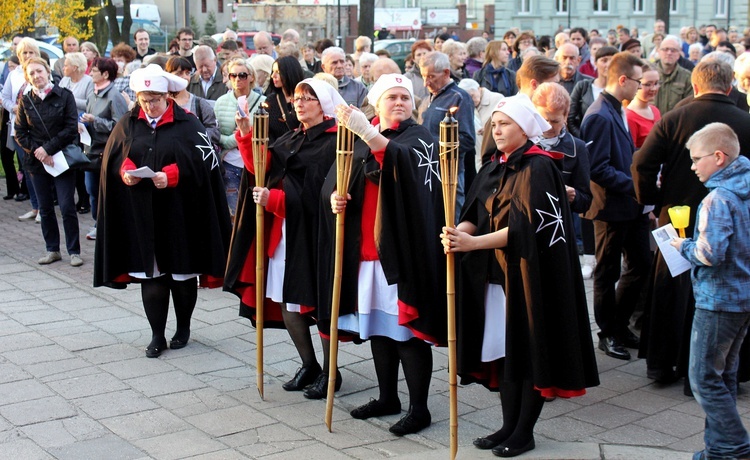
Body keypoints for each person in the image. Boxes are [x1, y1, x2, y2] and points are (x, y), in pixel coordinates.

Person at [442, 94, 598, 457]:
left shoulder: (539, 168)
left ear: (524, 128)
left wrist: (472, 242)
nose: (497, 130)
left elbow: (524, 229)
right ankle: (507, 426)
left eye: (505, 124)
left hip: (527, 278)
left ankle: (523, 432)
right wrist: (457, 232)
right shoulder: (492, 166)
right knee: (504, 355)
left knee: (528, 354)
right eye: (494, 124)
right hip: (493, 277)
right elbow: (475, 212)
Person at [323, 74, 447, 435]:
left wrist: (369, 133)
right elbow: (342, 179)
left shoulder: (419, 137)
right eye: (391, 98)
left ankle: (419, 407)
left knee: (405, 333)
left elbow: (403, 164)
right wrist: (337, 197)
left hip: (401, 251)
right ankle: (387, 396)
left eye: (405, 98)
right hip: (365, 251)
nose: (399, 103)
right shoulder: (362, 138)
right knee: (378, 329)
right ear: (377, 104)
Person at [93, 64, 231, 358]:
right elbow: (115, 157)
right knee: (151, 276)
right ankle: (157, 334)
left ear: (168, 96)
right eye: (144, 99)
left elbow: (205, 165)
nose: (149, 106)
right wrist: (126, 170)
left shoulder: (188, 124)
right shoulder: (128, 123)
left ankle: (183, 327)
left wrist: (172, 174)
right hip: (143, 214)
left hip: (180, 214)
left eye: (154, 99)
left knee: (181, 275)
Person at [224, 79, 345, 399]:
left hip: (315, 234)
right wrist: (246, 132)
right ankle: (310, 365)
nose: (300, 103)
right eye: (297, 99)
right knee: (287, 299)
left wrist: (275, 200)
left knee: (319, 304)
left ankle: (332, 372)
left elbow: (318, 193)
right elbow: (260, 168)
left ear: (324, 105)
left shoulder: (335, 143)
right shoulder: (293, 137)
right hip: (284, 234)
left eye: (309, 99)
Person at [632, 59, 750, 388]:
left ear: (695, 87)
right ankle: (726, 370)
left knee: (674, 289)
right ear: (729, 88)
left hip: (678, 214)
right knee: (723, 287)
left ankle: (663, 364)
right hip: (735, 217)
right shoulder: (747, 121)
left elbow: (641, 161)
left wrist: (652, 199)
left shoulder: (674, 117)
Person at [669, 123, 750, 460]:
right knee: (724, 376)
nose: (692, 166)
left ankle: (735, 445)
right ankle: (719, 451)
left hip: (719, 300)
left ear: (718, 157)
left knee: (703, 379)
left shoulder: (718, 199)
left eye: (696, 158)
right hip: (742, 298)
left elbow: (708, 254)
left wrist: (682, 245)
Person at [581, 52, 651, 361]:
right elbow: (597, 168)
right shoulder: (599, 114)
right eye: (638, 81)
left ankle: (619, 325)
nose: (641, 87)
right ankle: (607, 332)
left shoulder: (616, 109)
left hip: (629, 206)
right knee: (607, 272)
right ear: (622, 80)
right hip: (609, 208)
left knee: (640, 265)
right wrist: (635, 185)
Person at [14, 57, 83, 267]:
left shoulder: (65, 96)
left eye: (39, 71)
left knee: (67, 205)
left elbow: (71, 128)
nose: (36, 76)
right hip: (37, 162)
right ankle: (52, 249)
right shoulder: (26, 100)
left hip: (61, 158)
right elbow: (20, 131)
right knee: (44, 208)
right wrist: (39, 152)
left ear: (48, 72)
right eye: (31, 73)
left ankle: (74, 251)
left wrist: (49, 149)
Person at [418, 51, 476, 217]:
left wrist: (431, 145)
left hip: (450, 173)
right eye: (423, 76)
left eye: (431, 77)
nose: (425, 83)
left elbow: (466, 140)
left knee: (451, 219)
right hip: (427, 169)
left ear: (446, 73)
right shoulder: (429, 97)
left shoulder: (460, 98)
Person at [79, 57, 128, 241]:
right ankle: (97, 222)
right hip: (91, 150)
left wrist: (95, 121)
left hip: (107, 153)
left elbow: (120, 126)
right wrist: (83, 124)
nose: (90, 73)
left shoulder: (114, 96)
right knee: (91, 189)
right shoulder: (92, 94)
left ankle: (108, 224)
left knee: (106, 191)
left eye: (94, 70)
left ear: (105, 74)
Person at [214, 58, 266, 219]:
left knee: (255, 213)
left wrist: (245, 133)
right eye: (233, 75)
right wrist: (235, 138)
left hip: (255, 163)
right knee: (235, 213)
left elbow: (266, 135)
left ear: (251, 77)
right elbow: (215, 134)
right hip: (230, 163)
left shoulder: (263, 103)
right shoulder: (221, 102)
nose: (237, 79)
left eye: (242, 75)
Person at [2, 38, 43, 221]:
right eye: (24, 53)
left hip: (38, 129)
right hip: (18, 129)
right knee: (26, 168)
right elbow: (5, 98)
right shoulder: (14, 74)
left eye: (31, 52)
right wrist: (14, 108)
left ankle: (44, 208)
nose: (27, 56)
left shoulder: (40, 72)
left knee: (40, 169)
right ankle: (35, 206)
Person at [165, 56, 220, 147]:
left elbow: (214, 131)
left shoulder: (199, 104)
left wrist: (195, 138)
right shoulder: (161, 102)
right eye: (179, 73)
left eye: (187, 73)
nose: (184, 77)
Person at [568, 46, 617, 138]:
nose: (609, 65)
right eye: (604, 60)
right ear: (595, 63)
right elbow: (570, 118)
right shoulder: (583, 86)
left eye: (613, 61)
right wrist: (583, 139)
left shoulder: (621, 89)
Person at [458, 78, 503, 171]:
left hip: (496, 154)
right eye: (467, 97)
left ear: (479, 89)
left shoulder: (498, 99)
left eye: (472, 95)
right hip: (477, 156)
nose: (471, 100)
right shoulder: (465, 105)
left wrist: (489, 129)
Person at [264, 55, 304, 144]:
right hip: (278, 152)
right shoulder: (271, 101)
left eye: (277, 72)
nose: (272, 76)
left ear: (289, 73)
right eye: (273, 71)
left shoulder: (307, 99)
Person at [626, 62, 661, 148]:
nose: (653, 88)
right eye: (648, 84)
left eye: (656, 83)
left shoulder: (655, 110)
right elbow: (631, 152)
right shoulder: (629, 116)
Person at [655, 36, 693, 115]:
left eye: (673, 50)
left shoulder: (687, 77)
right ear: (659, 51)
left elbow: (689, 106)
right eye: (665, 49)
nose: (669, 53)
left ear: (679, 54)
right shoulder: (648, 74)